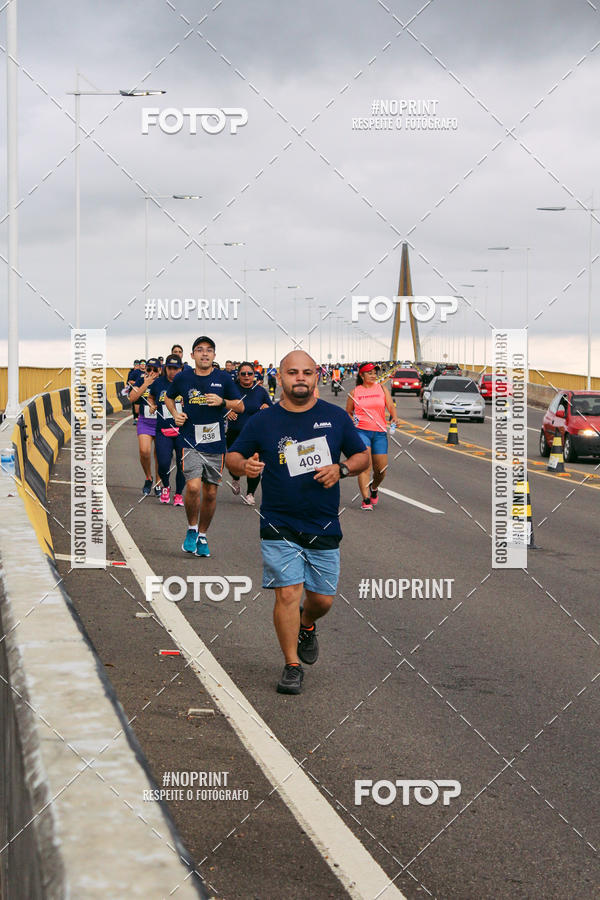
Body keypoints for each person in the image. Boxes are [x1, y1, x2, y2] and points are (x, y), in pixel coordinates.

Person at [226, 350, 369, 695]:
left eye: (306, 372)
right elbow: (232, 455)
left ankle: (307, 624)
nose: (300, 378)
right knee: (288, 592)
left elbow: (362, 455)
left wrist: (342, 469)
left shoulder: (334, 417)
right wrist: (242, 467)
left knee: (322, 600)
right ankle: (291, 665)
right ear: (281, 377)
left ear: (317, 376)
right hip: (278, 521)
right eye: (293, 372)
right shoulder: (263, 421)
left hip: (322, 522)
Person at [165, 336, 244, 557]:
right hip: (189, 440)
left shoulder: (224, 378)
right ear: (192, 355)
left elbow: (241, 406)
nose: (205, 354)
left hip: (216, 443)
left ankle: (202, 534)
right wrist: (175, 414)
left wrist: (223, 402)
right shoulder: (183, 377)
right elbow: (169, 398)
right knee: (193, 487)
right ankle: (191, 529)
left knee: (210, 493)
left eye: (209, 350)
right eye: (200, 350)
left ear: (214, 355)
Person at [345, 362, 398, 510]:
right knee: (365, 466)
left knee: (381, 470)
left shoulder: (382, 388)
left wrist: (394, 416)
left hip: (380, 433)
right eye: (370, 373)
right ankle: (366, 499)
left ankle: (374, 488)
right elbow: (348, 411)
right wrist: (352, 420)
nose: (374, 375)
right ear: (362, 376)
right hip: (361, 432)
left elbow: (390, 406)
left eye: (375, 372)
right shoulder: (355, 392)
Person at [225, 362, 272, 505]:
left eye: (249, 373)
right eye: (243, 373)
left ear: (254, 375)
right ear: (238, 375)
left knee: (255, 463)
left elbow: (272, 409)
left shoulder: (260, 391)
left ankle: (250, 493)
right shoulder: (231, 390)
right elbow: (221, 404)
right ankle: (235, 478)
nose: (246, 376)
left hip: (256, 435)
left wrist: (267, 407)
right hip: (235, 433)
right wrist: (227, 411)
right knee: (234, 464)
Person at [149, 354, 186, 506]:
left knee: (182, 464)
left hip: (183, 430)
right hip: (163, 430)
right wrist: (152, 404)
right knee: (163, 463)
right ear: (165, 369)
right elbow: (151, 397)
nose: (172, 371)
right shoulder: (158, 383)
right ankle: (166, 486)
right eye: (170, 368)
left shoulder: (187, 383)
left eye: (176, 368)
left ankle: (178, 494)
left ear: (181, 369)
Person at [129, 358, 161, 495]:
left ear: (160, 370)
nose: (152, 372)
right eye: (149, 369)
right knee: (144, 451)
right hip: (145, 422)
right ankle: (149, 477)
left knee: (160, 455)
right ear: (146, 369)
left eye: (155, 370)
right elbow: (132, 397)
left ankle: (159, 483)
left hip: (161, 423)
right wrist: (145, 384)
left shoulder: (164, 382)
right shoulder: (142, 380)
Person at [126, 360, 141, 425]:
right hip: (133, 391)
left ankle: (140, 417)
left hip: (141, 390)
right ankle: (135, 418)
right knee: (134, 404)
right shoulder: (131, 372)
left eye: (138, 365)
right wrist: (136, 383)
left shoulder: (143, 372)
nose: (136, 366)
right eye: (135, 365)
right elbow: (128, 381)